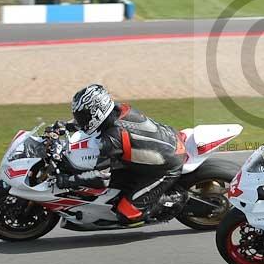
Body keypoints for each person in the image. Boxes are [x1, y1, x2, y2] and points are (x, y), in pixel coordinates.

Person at [53, 84, 186, 225]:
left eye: (83, 116)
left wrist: (68, 180)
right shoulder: (118, 109)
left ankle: (173, 200)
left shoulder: (112, 139)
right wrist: (66, 126)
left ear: (97, 112)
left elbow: (101, 177)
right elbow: (93, 122)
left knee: (126, 214)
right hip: (168, 140)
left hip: (166, 168)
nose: (80, 119)